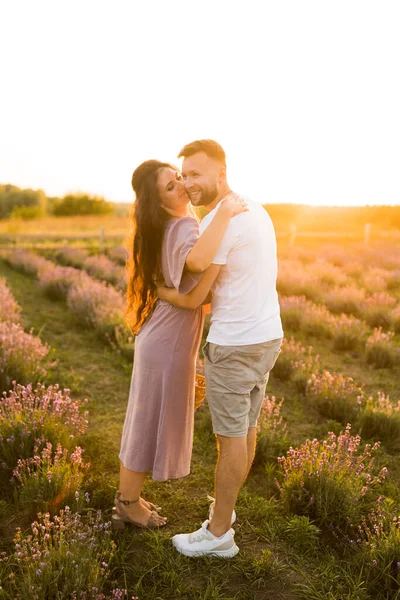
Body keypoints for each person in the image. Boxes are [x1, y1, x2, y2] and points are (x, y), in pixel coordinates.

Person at [157, 139, 283, 557]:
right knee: (246, 431)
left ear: (220, 174)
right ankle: (225, 511)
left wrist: (161, 292)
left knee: (229, 440)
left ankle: (218, 535)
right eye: (184, 175)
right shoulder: (254, 208)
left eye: (195, 174)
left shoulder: (223, 218)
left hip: (235, 343)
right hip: (267, 335)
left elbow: (194, 276)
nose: (188, 182)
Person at [112, 159, 247, 530]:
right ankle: (127, 502)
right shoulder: (186, 226)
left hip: (161, 338)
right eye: (171, 187)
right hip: (168, 343)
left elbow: (185, 289)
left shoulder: (167, 228)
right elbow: (199, 274)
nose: (182, 186)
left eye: (179, 178)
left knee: (143, 416)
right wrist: (226, 215)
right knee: (147, 420)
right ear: (158, 202)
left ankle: (128, 495)